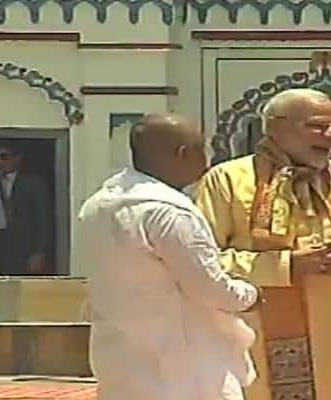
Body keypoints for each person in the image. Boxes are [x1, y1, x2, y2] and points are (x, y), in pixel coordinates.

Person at [194, 88, 331, 400]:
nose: (330, 135)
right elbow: (204, 263)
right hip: (259, 335)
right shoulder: (228, 180)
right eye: (317, 126)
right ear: (277, 128)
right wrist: (289, 266)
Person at [78, 113, 260, 400]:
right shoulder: (168, 211)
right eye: (203, 149)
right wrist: (250, 295)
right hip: (181, 360)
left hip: (120, 353)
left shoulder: (98, 205)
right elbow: (207, 287)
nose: (208, 157)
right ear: (183, 153)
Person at [0, 142, 50, 275]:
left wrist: (39, 252)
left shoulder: (32, 185)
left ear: (17, 158)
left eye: (3, 157)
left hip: (20, 244)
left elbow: (42, 220)